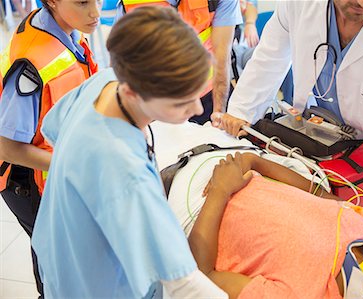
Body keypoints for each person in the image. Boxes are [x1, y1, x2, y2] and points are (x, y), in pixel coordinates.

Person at [31, 6, 228, 298]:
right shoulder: (125, 172)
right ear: (135, 93)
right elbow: (184, 283)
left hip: (62, 260)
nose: (198, 110)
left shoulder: (105, 82)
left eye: (197, 96)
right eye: (182, 103)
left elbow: (57, 130)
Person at [212, 0, 363, 237]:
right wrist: (240, 113)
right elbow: (269, 59)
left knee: (352, 240)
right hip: (308, 142)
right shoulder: (301, 5)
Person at [188, 152, 363, 298]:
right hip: (228, 159)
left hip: (194, 199)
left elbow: (201, 275)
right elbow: (321, 196)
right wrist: (254, 161)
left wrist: (220, 191)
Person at [0, 0, 99, 295]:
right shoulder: (32, 64)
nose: (94, 12)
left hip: (56, 176)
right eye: (83, 3)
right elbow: (7, 148)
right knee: (56, 271)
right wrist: (70, 164)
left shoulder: (67, 28)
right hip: (29, 184)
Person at [116, 0, 242, 125]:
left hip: (210, 93)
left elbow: (221, 58)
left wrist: (218, 112)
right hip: (160, 101)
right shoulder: (130, 4)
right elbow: (123, 67)